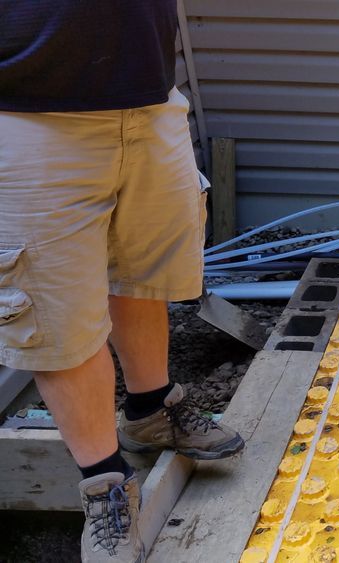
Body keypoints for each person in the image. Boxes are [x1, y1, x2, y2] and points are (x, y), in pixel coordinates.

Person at [0, 2, 244, 561]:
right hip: (27, 112)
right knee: (54, 314)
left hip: (150, 97)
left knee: (141, 275)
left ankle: (151, 411)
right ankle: (104, 483)